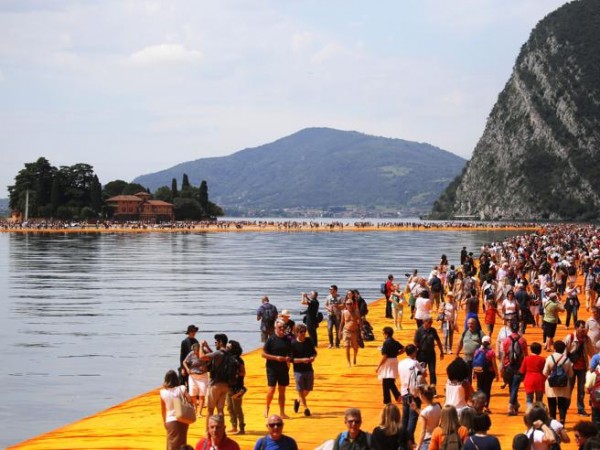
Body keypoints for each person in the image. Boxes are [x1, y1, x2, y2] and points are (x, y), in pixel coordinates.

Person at [262, 318, 292, 419]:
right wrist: (276, 358)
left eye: (283, 327)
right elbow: (263, 354)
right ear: (276, 327)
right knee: (271, 389)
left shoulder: (287, 339)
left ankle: (282, 412)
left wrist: (289, 358)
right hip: (272, 367)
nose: (282, 329)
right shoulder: (271, 339)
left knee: (282, 390)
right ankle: (267, 406)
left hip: (283, 367)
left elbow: (291, 353)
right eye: (280, 327)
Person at [564, 319, 595, 416]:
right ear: (576, 328)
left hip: (583, 368)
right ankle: (564, 407)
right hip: (571, 368)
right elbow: (564, 353)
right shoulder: (570, 337)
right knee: (569, 388)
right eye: (582, 327)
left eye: (584, 327)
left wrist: (595, 362)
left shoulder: (587, 339)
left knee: (581, 389)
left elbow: (591, 352)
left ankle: (581, 409)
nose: (584, 329)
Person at [160, 369, 192, 450]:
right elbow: (190, 399)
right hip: (183, 419)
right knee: (182, 442)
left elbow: (163, 410)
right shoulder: (182, 388)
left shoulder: (163, 392)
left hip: (170, 419)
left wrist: (164, 421)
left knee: (171, 444)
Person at [543, 340, 573, 424]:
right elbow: (570, 374)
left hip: (551, 384)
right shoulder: (567, 360)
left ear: (554, 348)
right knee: (562, 404)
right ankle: (562, 421)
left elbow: (545, 372)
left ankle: (553, 422)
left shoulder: (550, 358)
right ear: (564, 349)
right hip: (563, 385)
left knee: (551, 404)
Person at [203, 334, 232, 421]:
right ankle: (221, 429)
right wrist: (207, 346)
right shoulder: (227, 353)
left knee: (210, 410)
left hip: (215, 384)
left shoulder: (218, 353)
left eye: (216, 342)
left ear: (221, 342)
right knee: (220, 410)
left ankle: (207, 432)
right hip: (225, 384)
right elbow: (214, 354)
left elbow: (202, 357)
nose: (215, 344)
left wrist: (201, 346)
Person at [291, 322, 317, 416]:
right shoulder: (293, 344)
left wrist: (312, 357)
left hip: (309, 369)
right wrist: (302, 360)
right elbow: (291, 359)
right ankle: (306, 408)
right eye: (301, 332)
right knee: (300, 389)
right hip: (298, 370)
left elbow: (314, 352)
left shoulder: (309, 341)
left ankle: (298, 400)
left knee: (308, 389)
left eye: (304, 332)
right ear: (297, 332)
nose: (303, 334)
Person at [502, 321, 528, 416]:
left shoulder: (506, 340)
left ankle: (514, 405)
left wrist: (503, 366)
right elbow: (526, 355)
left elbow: (504, 354)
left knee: (511, 386)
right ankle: (511, 406)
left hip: (508, 365)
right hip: (519, 366)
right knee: (515, 386)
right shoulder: (522, 340)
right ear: (518, 329)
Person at [376, 326, 404, 404]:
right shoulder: (395, 342)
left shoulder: (386, 342)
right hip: (394, 361)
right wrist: (397, 354)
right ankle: (397, 396)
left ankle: (387, 401)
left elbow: (385, 356)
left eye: (383, 333)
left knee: (386, 382)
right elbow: (403, 348)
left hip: (387, 362)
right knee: (390, 381)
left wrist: (378, 366)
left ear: (386, 334)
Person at [398, 344, 421, 440]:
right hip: (413, 393)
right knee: (413, 417)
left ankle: (403, 438)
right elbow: (424, 373)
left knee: (405, 417)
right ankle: (409, 439)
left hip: (404, 392)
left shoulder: (400, 363)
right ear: (413, 352)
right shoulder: (415, 362)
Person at [414, 317, 444, 387]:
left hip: (431, 354)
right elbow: (415, 342)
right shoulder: (419, 331)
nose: (430, 324)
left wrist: (441, 351)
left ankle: (433, 388)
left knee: (432, 371)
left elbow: (438, 340)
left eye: (431, 323)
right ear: (424, 322)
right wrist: (414, 354)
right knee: (421, 371)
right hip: (421, 354)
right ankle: (420, 387)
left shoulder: (433, 330)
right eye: (429, 323)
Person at [183, 342, 211, 418]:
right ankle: (195, 408)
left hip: (203, 376)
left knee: (202, 394)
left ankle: (199, 412)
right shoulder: (191, 354)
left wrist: (206, 366)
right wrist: (187, 369)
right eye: (195, 351)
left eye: (197, 351)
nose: (196, 353)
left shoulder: (205, 352)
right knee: (192, 394)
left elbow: (212, 359)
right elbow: (184, 362)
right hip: (193, 376)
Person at [472, 336, 499, 413]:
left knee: (479, 389)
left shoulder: (477, 351)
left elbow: (474, 363)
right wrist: (497, 374)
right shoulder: (491, 352)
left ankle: (478, 406)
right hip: (488, 373)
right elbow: (494, 365)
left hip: (478, 372)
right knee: (487, 390)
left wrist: (473, 373)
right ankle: (485, 407)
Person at [411, 385, 442, 450]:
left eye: (419, 395)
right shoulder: (438, 406)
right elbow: (429, 414)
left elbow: (423, 432)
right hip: (437, 438)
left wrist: (418, 447)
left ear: (423, 396)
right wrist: (416, 409)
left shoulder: (425, 412)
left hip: (427, 442)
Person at [225, 340, 246, 435]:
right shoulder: (227, 359)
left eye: (229, 347)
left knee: (237, 408)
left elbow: (243, 372)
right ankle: (234, 426)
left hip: (237, 387)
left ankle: (241, 428)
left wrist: (235, 373)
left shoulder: (239, 360)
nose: (227, 349)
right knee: (229, 407)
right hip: (228, 386)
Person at [519, 342, 546, 411]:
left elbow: (522, 371)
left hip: (529, 379)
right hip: (539, 379)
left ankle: (529, 412)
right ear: (540, 350)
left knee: (529, 399)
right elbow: (545, 371)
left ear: (531, 350)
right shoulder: (542, 359)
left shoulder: (526, 359)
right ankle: (538, 412)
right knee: (539, 399)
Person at [340, 295, 362, 367]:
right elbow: (342, 322)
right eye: (347, 304)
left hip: (354, 331)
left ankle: (355, 357)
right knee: (347, 347)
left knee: (355, 347)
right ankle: (348, 362)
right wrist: (339, 332)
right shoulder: (344, 312)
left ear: (352, 305)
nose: (349, 305)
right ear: (345, 305)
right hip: (346, 331)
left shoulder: (356, 312)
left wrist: (361, 330)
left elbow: (360, 321)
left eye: (350, 304)